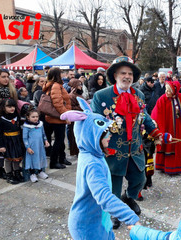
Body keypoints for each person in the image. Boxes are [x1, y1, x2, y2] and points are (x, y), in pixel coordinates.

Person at [90, 56, 162, 229]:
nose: (127, 76)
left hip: (135, 148)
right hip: (113, 151)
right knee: (112, 188)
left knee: (140, 179)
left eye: (130, 73)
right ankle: (114, 213)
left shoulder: (138, 94)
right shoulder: (101, 96)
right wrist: (99, 142)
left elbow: (144, 116)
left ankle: (128, 198)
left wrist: (155, 132)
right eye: (123, 73)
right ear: (115, 75)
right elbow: (94, 123)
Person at [62, 98, 140, 240]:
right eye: (105, 133)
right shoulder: (92, 163)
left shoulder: (90, 152)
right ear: (91, 135)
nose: (110, 135)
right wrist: (130, 217)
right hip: (88, 227)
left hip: (99, 221)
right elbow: (104, 197)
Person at [151, 81, 181, 175]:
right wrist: (155, 124)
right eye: (166, 90)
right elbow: (156, 112)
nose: (166, 92)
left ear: (175, 91)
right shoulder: (162, 99)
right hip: (166, 128)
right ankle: (163, 167)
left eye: (168, 90)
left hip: (179, 128)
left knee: (178, 145)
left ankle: (177, 167)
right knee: (167, 146)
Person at [42, 67, 71, 169]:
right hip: (57, 117)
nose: (63, 74)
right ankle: (54, 162)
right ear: (57, 75)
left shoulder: (55, 85)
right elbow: (58, 103)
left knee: (60, 140)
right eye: (61, 72)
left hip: (56, 117)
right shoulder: (56, 86)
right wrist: (66, 116)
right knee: (59, 140)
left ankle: (62, 158)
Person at [0, 68, 18, 179]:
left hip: (10, 122)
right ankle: (0, 169)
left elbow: (15, 106)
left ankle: (11, 168)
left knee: (10, 145)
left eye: (7, 76)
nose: (6, 79)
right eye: (3, 77)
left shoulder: (11, 90)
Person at [0, 98, 25, 184]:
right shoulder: (0, 119)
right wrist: (1, 146)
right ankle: (9, 175)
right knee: (8, 159)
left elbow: (20, 129)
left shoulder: (17, 117)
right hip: (7, 141)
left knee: (17, 158)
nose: (12, 108)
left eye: (13, 106)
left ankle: (17, 173)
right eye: (9, 106)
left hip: (16, 140)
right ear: (3, 107)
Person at [22, 108, 50, 183]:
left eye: (37, 117)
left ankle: (40, 171)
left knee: (40, 157)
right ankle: (32, 173)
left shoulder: (40, 124)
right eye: (33, 117)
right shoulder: (26, 126)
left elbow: (43, 134)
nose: (35, 118)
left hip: (40, 145)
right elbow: (25, 138)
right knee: (32, 159)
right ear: (28, 117)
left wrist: (46, 141)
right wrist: (27, 147)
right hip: (32, 146)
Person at [67, 78, 84, 156]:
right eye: (79, 85)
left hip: (81, 118)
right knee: (75, 136)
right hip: (75, 119)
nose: (81, 87)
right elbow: (71, 107)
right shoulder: (71, 96)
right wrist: (81, 107)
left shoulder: (78, 95)